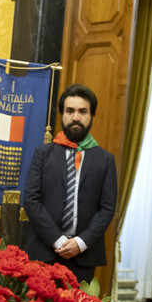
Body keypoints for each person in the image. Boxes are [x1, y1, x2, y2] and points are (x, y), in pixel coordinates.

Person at [22, 84, 117, 283]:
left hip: (82, 257)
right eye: (70, 111)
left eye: (83, 111)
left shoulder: (105, 160)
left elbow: (106, 209)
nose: (76, 117)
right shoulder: (43, 154)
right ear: (62, 114)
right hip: (44, 252)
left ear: (92, 116)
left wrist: (80, 243)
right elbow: (31, 201)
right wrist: (59, 240)